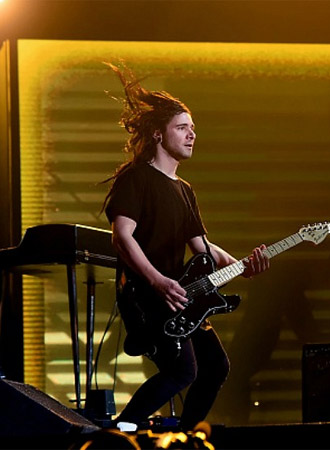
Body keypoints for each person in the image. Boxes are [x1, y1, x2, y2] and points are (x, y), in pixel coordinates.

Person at [101, 63, 270, 431]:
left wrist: (244, 265)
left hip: (180, 296)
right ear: (158, 134)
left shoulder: (184, 190)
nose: (192, 134)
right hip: (146, 297)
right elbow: (122, 236)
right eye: (182, 128)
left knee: (216, 367)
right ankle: (116, 435)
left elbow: (203, 249)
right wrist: (158, 281)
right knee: (182, 371)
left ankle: (185, 436)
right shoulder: (137, 179)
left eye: (193, 128)